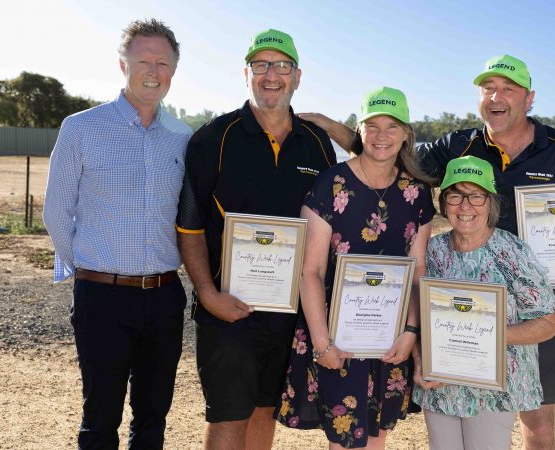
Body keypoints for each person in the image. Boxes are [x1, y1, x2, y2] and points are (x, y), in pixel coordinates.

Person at [301, 54, 555, 449]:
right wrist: (330, 127)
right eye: (488, 89)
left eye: (508, 89)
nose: (497, 97)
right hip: (463, 304)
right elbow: (385, 151)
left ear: (528, 98)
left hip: (539, 300)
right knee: (459, 412)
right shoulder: (458, 145)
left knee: (538, 424)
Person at [175, 29, 336, 450]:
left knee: (265, 412)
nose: (271, 75)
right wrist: (207, 295)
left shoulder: (317, 144)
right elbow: (189, 225)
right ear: (246, 73)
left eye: (281, 66)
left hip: (289, 311)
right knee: (229, 416)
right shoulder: (214, 137)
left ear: (297, 76)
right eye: (261, 65)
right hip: (229, 308)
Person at [43, 19, 191, 449]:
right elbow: (56, 212)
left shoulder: (182, 138)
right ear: (122, 64)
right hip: (102, 298)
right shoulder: (81, 128)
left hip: (164, 297)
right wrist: (90, 268)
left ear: (174, 71)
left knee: (153, 418)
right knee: (100, 417)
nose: (153, 70)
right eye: (143, 60)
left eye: (163, 62)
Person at [274, 87, 435, 449]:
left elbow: (418, 267)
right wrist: (321, 343)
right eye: (372, 125)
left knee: (377, 439)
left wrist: (411, 330)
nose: (382, 135)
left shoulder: (418, 193)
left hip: (391, 336)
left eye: (392, 126)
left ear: (407, 133)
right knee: (345, 441)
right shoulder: (331, 184)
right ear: (358, 130)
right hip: (336, 334)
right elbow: (310, 270)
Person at [412, 155, 555, 449]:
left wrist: (487, 337)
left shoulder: (513, 253)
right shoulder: (432, 251)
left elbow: (549, 322)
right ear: (444, 203)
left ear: (491, 203)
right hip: (442, 384)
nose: (465, 206)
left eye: (476, 196)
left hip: (494, 388)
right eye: (455, 195)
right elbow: (418, 312)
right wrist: (419, 360)